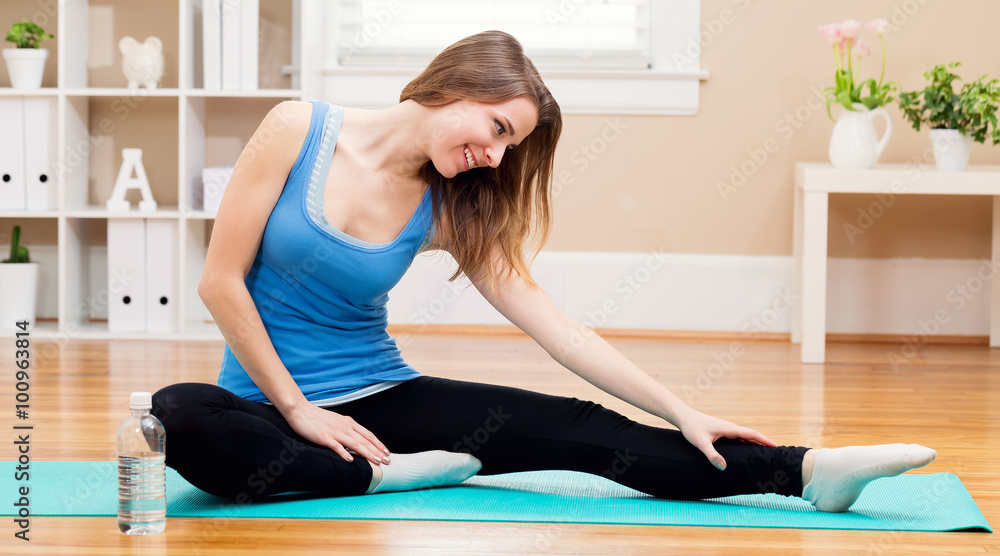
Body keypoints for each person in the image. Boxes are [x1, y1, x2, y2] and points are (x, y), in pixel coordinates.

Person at [153, 30, 935, 511]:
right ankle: (389, 479)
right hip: (266, 403)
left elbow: (559, 330)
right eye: (496, 128)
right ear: (456, 84)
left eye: (509, 146)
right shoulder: (296, 129)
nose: (493, 157)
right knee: (180, 416)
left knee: (579, 429)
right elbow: (219, 282)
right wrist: (299, 411)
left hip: (383, 397)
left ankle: (806, 473)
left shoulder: (452, 205)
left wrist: (681, 409)